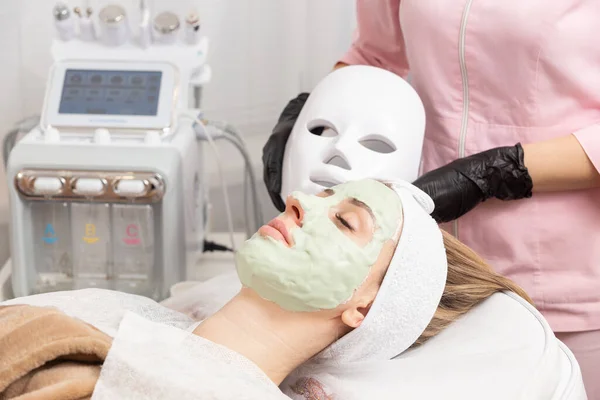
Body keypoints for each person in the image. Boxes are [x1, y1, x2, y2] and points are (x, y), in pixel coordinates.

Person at [261, 2, 600, 396]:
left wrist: (500, 171)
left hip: (564, 272)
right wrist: (309, 118)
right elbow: (374, 56)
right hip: (425, 259)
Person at [1, 179, 565, 399]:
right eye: (321, 194)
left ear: (364, 308)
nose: (299, 199)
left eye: (346, 221)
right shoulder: (129, 318)